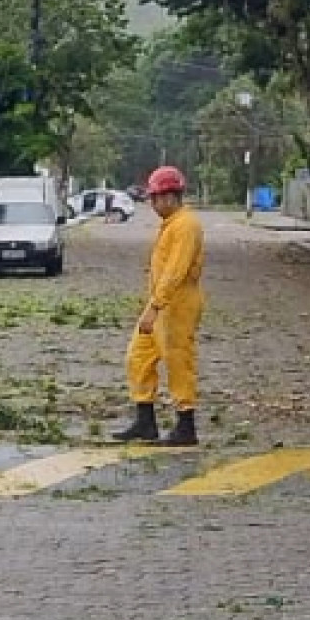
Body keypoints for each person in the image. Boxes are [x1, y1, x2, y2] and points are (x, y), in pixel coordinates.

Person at [112, 165, 206, 445]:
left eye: (155, 198)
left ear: (169, 197)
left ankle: (186, 425)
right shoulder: (172, 224)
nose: (152, 204)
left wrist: (155, 306)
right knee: (138, 356)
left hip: (177, 305)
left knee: (178, 361)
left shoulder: (186, 226)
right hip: (161, 305)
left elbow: (175, 271)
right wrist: (152, 306)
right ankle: (145, 421)